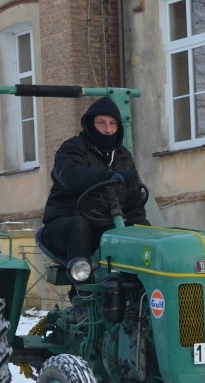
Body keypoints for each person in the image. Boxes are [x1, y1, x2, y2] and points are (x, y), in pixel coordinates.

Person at [40, 96, 149, 274]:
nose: (107, 129)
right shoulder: (73, 148)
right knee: (78, 224)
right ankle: (81, 283)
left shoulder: (123, 157)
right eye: (102, 123)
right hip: (65, 226)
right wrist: (108, 176)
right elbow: (69, 176)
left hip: (106, 228)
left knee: (140, 226)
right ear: (91, 124)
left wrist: (138, 222)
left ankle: (143, 283)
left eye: (113, 124)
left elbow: (135, 201)